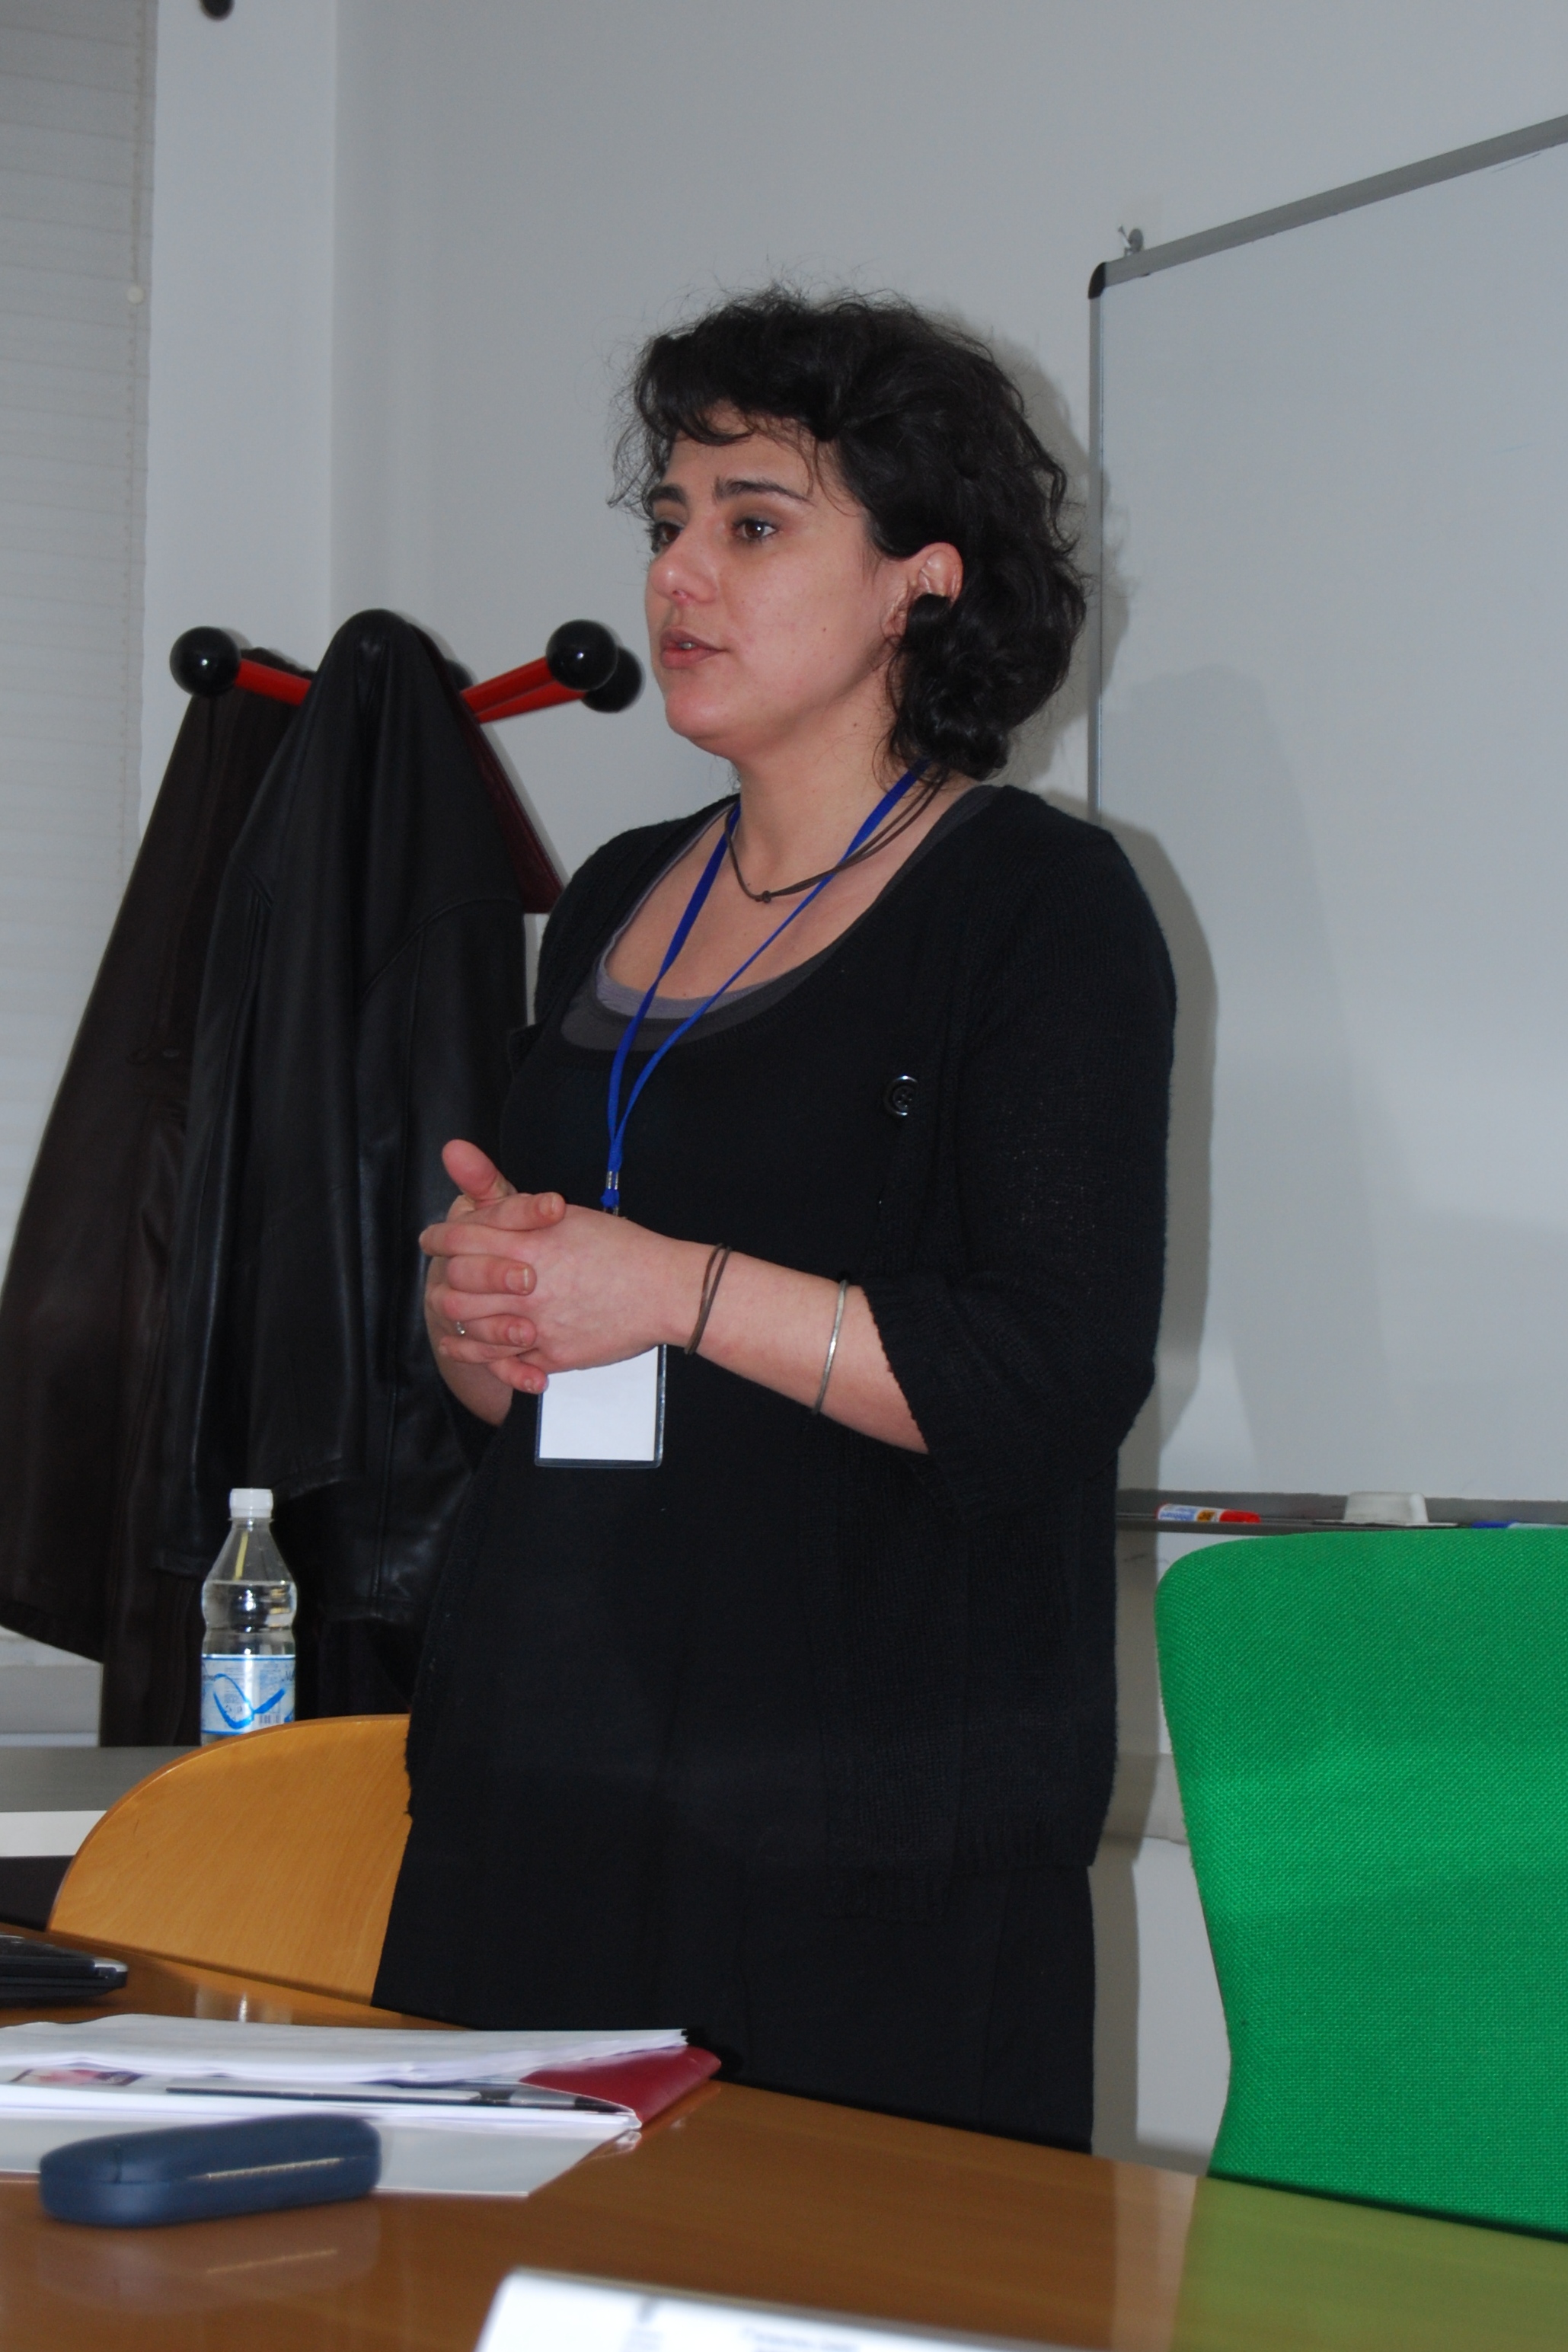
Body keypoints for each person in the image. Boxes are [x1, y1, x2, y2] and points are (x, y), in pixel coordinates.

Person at [373, 289, 1175, 2152]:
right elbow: (544, 1380)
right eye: (668, 519)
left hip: (857, 1842)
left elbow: (1047, 1375)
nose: (680, 571)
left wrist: (664, 1286)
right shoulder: (613, 898)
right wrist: (482, 1320)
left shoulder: (1037, 907)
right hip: (539, 1785)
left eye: (752, 522)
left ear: (919, 582)